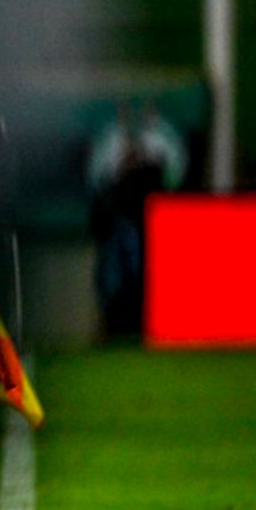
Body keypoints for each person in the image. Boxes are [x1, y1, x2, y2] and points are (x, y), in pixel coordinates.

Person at [87, 100, 187, 339]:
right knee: (112, 275)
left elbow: (173, 174)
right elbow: (96, 178)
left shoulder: (160, 142)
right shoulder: (109, 144)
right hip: (116, 219)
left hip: (149, 221)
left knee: (141, 273)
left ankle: (140, 328)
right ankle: (111, 328)